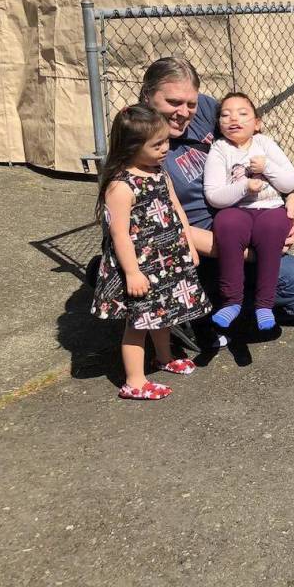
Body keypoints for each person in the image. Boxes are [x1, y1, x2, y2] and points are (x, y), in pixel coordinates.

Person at [139, 57, 294, 345]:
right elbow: (167, 229)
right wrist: (250, 253)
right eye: (173, 102)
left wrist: (292, 196)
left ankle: (205, 307)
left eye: (190, 103)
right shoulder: (142, 145)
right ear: (147, 95)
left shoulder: (204, 110)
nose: (183, 112)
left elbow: (257, 142)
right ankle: (193, 309)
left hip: (246, 224)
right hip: (204, 249)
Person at [91, 105, 211, 400]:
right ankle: (134, 380)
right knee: (139, 323)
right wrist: (132, 272)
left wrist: (187, 244)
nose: (165, 149)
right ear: (132, 147)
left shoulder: (158, 172)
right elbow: (118, 233)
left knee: (165, 313)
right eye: (156, 145)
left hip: (168, 260)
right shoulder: (121, 185)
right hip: (140, 267)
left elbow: (176, 208)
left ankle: (164, 356)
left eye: (165, 141)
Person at [204, 92, 294, 333]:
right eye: (225, 115)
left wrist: (267, 167)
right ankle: (232, 301)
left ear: (257, 123)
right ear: (219, 124)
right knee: (226, 223)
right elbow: (214, 196)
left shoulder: (265, 144)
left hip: (270, 208)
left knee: (275, 226)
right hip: (238, 210)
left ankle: (264, 305)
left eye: (243, 113)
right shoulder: (219, 148)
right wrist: (244, 186)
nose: (233, 118)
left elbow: (289, 182)